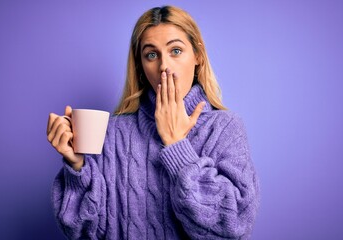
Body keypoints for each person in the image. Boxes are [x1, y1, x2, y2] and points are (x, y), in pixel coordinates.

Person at [47, 5, 259, 240]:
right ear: (140, 67)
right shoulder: (113, 133)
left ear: (198, 55)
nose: (164, 66)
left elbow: (232, 228)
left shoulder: (225, 128)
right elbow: (83, 231)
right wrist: (77, 167)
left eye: (176, 51)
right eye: (151, 54)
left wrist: (177, 146)